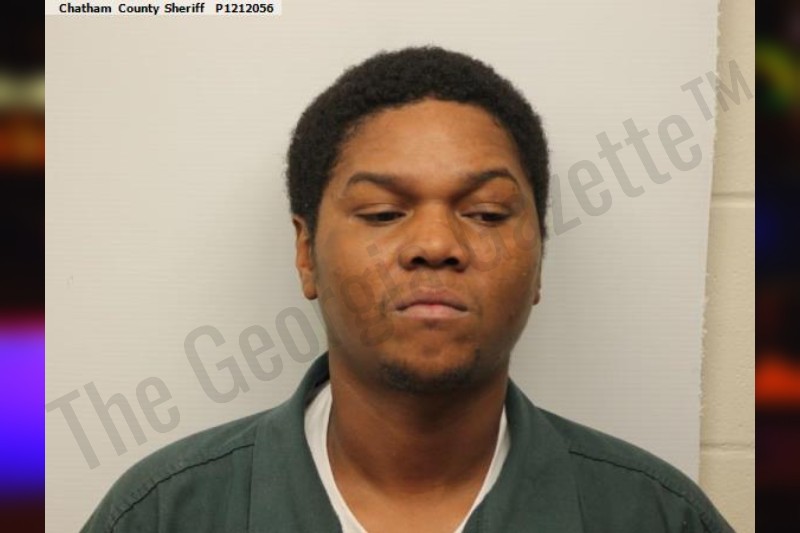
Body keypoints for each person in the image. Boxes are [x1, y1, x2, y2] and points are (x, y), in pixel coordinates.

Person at [81, 46, 735, 533]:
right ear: (306, 253)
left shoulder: (658, 516)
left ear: (540, 259)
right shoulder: (163, 514)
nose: (436, 244)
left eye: (486, 213)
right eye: (383, 212)